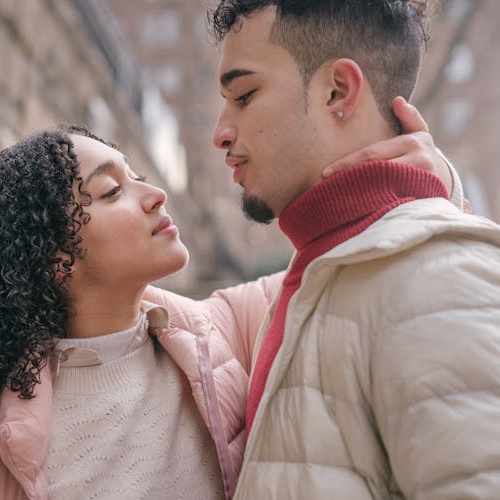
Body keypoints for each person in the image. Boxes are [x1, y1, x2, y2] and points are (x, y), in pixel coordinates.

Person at [0, 117, 453, 499]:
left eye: (140, 177)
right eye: (111, 191)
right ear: (53, 258)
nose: (155, 195)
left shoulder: (226, 331)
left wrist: (431, 182)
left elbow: (373, 264)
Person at [190, 1, 500, 498]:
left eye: (244, 95)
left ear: (338, 91)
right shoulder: (322, 270)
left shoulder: (438, 275)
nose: (221, 132)